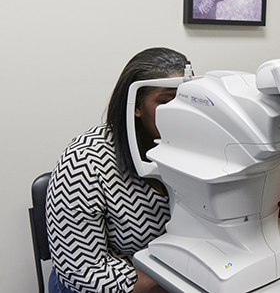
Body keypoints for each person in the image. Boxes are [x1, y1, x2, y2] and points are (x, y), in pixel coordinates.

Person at [46, 47, 190, 293]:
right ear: (136, 105)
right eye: (166, 102)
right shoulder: (85, 161)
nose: (180, 112)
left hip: (171, 274)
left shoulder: (192, 148)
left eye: (186, 100)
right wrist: (175, 275)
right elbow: (84, 274)